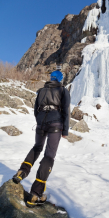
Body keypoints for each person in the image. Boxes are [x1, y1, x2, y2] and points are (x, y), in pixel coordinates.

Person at [12, 70, 70, 207]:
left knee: (37, 147)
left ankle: (22, 172)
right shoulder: (62, 90)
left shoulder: (42, 90)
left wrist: (40, 121)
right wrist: (65, 130)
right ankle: (35, 194)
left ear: (51, 78)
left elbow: (35, 109)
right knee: (49, 156)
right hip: (55, 124)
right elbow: (66, 111)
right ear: (60, 79)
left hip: (41, 123)